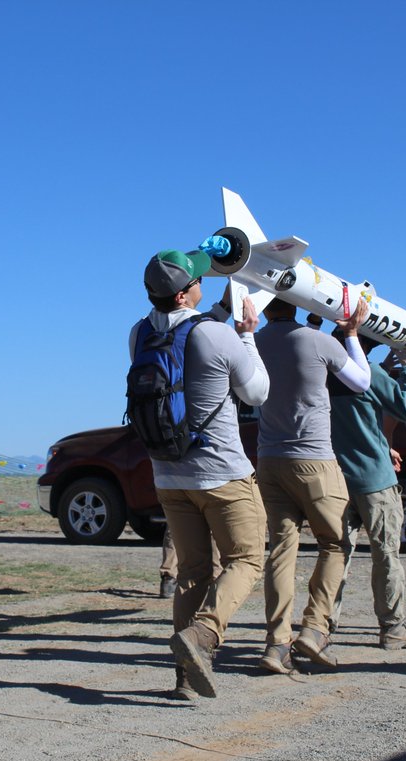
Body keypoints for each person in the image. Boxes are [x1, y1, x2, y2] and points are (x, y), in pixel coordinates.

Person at [129, 249, 270, 700]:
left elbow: (185, 332)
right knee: (247, 558)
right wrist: (247, 335)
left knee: (192, 570)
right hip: (221, 471)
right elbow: (257, 392)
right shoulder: (218, 335)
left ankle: (186, 678)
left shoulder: (138, 334)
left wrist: (221, 314)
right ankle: (204, 636)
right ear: (188, 291)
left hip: (169, 474)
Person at [254, 298, 372, 673]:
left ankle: (276, 643)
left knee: (281, 550)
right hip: (315, 459)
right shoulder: (319, 342)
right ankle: (315, 629)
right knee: (335, 543)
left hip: (270, 461)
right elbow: (361, 381)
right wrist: (351, 334)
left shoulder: (254, 342)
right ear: (301, 302)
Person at [329, 331, 406, 650]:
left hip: (334, 480)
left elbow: (357, 413)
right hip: (374, 480)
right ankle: (393, 627)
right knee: (385, 554)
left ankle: (322, 625)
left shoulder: (321, 372)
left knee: (336, 554)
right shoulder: (371, 373)